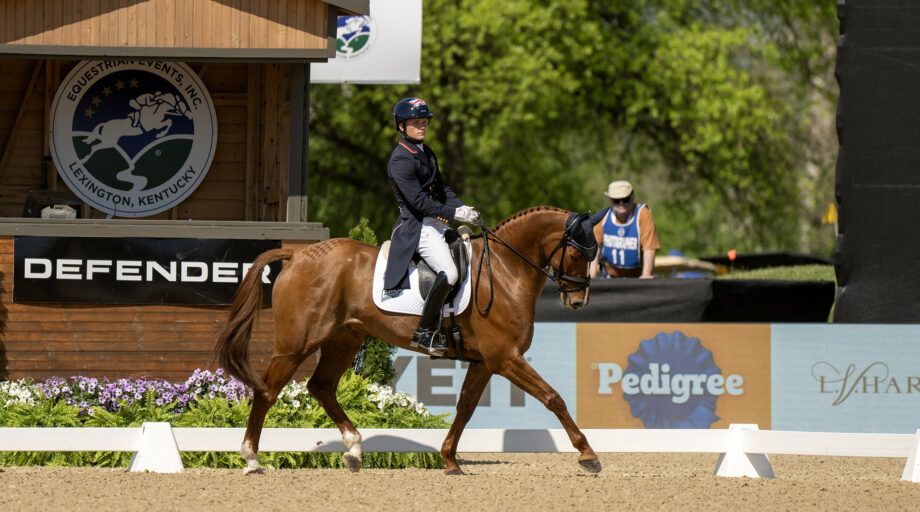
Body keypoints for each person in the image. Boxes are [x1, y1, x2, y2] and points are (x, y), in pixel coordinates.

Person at [381, 97, 480, 356]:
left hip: (435, 222)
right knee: (450, 272)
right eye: (416, 122)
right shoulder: (401, 159)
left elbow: (443, 190)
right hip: (417, 226)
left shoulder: (426, 152)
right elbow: (418, 202)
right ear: (401, 126)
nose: (422, 126)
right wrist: (453, 213)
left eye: (425, 122)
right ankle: (424, 332)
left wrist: (464, 210)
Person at [589, 180, 660, 279]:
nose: (621, 204)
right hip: (609, 276)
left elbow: (649, 248)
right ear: (610, 200)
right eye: (616, 201)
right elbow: (594, 247)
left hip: (637, 277)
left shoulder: (642, 214)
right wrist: (592, 275)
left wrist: (646, 275)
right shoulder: (604, 216)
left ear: (632, 197)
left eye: (625, 199)